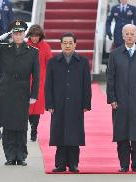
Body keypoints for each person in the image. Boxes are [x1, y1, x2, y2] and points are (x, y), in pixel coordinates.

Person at [0, 20, 39, 166]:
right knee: (8, 125)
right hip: (6, 89)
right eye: (15, 33)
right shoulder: (4, 48)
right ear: (12, 34)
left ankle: (20, 156)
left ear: (24, 34)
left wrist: (34, 95)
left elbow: (37, 75)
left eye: (21, 33)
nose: (18, 36)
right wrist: (1, 37)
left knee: (21, 125)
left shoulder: (32, 51)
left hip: (22, 89)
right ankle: (9, 155)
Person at [106, 24, 136, 173]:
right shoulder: (115, 55)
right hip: (120, 102)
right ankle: (124, 164)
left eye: (132, 34)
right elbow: (110, 79)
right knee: (122, 134)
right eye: (126, 33)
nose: (129, 36)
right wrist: (112, 99)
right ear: (122, 35)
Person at [45, 32, 92, 173]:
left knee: (74, 134)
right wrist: (50, 104)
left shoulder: (82, 62)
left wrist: (86, 103)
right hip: (58, 103)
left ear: (75, 44)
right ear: (60, 44)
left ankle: (73, 164)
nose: (67, 45)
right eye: (65, 42)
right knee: (59, 133)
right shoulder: (53, 62)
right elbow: (48, 85)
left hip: (76, 103)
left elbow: (86, 85)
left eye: (70, 43)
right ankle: (60, 164)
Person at [26, 24, 53, 142]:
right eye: (32, 35)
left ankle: (34, 129)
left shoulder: (45, 46)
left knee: (36, 108)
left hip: (40, 81)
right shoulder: (25, 46)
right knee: (26, 108)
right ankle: (30, 125)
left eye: (37, 36)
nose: (35, 38)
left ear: (40, 36)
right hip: (26, 80)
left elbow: (50, 64)